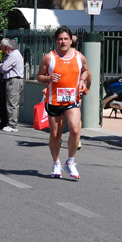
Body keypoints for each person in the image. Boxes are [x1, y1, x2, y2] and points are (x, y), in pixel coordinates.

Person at [37, 26, 90, 180]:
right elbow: (39, 76)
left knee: (74, 130)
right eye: (60, 39)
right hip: (54, 100)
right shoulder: (49, 57)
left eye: (66, 39)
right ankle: (56, 162)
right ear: (56, 41)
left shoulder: (79, 57)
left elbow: (86, 71)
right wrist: (48, 78)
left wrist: (82, 80)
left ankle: (71, 162)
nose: (63, 41)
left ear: (70, 40)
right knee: (55, 135)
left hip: (72, 100)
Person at [0, 38, 24, 132]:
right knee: (13, 102)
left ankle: (12, 125)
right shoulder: (16, 54)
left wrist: (2, 65)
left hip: (13, 80)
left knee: (11, 103)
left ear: (8, 47)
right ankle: (12, 123)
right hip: (15, 80)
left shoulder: (13, 55)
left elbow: (4, 68)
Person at [0, 39, 9, 129]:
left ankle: (5, 122)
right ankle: (3, 121)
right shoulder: (5, 55)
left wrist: (1, 66)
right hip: (2, 79)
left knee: (5, 102)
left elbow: (4, 68)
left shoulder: (10, 55)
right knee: (1, 101)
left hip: (6, 80)